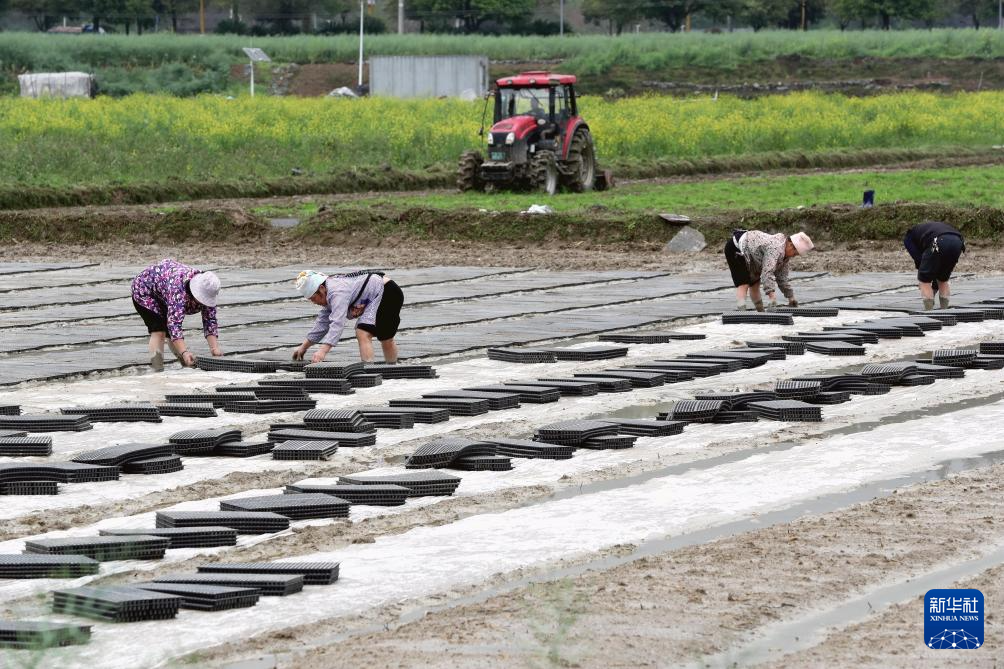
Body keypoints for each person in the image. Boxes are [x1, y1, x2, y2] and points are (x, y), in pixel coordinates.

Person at [292, 269, 404, 364]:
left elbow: (337, 323)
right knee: (380, 336)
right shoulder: (328, 293)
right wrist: (303, 347)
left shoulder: (337, 292)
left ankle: (373, 372)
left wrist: (323, 351)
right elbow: (322, 323)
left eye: (313, 298)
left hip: (388, 292)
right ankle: (386, 369)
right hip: (376, 294)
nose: (313, 302)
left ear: (321, 288)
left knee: (370, 334)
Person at [131, 259, 222, 371]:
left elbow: (210, 320)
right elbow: (174, 326)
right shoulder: (178, 292)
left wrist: (215, 349)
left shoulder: (209, 288)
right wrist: (184, 351)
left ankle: (186, 363)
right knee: (159, 331)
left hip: (164, 290)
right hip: (145, 291)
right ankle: (157, 371)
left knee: (170, 333)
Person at [728, 230, 814, 311]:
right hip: (736, 247)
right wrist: (772, 298)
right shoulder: (775, 248)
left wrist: (791, 297)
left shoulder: (785, 256)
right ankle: (741, 312)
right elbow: (767, 273)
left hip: (753, 255)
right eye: (795, 254)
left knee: (755, 284)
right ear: (791, 245)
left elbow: (782, 278)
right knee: (743, 283)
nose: (793, 256)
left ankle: (760, 312)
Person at [904, 221, 965, 311]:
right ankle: (944, 311)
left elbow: (919, 259)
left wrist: (925, 278)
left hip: (938, 241)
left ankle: (929, 313)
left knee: (924, 280)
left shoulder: (908, 239)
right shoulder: (927, 229)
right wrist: (934, 285)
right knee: (943, 279)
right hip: (958, 242)